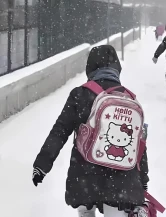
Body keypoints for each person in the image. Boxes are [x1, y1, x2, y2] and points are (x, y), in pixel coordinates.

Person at [32, 45, 150, 216]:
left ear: (90, 68)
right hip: (122, 181)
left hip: (85, 176)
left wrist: (42, 165)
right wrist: (143, 180)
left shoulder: (80, 94)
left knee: (86, 212)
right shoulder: (129, 99)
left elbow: (60, 131)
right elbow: (139, 146)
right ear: (117, 68)